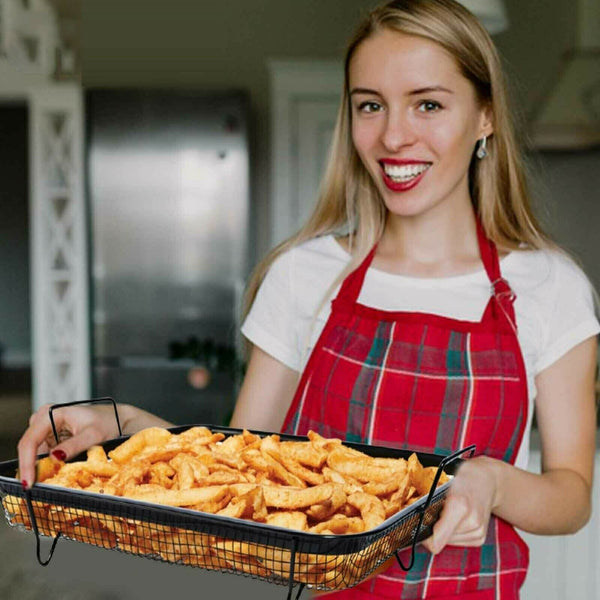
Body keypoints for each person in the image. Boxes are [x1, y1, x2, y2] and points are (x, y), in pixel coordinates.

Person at [18, 0, 598, 598]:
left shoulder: (548, 288)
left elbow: (571, 496)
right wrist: (122, 426)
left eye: (428, 104)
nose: (394, 136)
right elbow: (236, 472)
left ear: (484, 117)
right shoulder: (305, 275)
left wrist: (491, 483)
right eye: (370, 105)